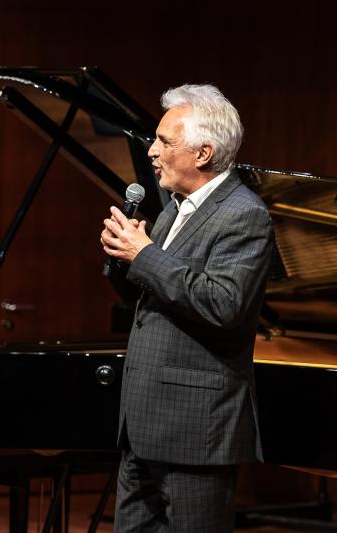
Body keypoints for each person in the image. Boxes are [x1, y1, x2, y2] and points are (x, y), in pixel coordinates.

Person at [100, 84, 274, 532]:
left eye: (164, 141)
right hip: (143, 420)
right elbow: (156, 298)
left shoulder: (243, 213)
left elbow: (223, 304)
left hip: (195, 426)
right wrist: (123, 256)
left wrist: (144, 255)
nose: (152, 152)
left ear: (203, 153)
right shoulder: (175, 208)